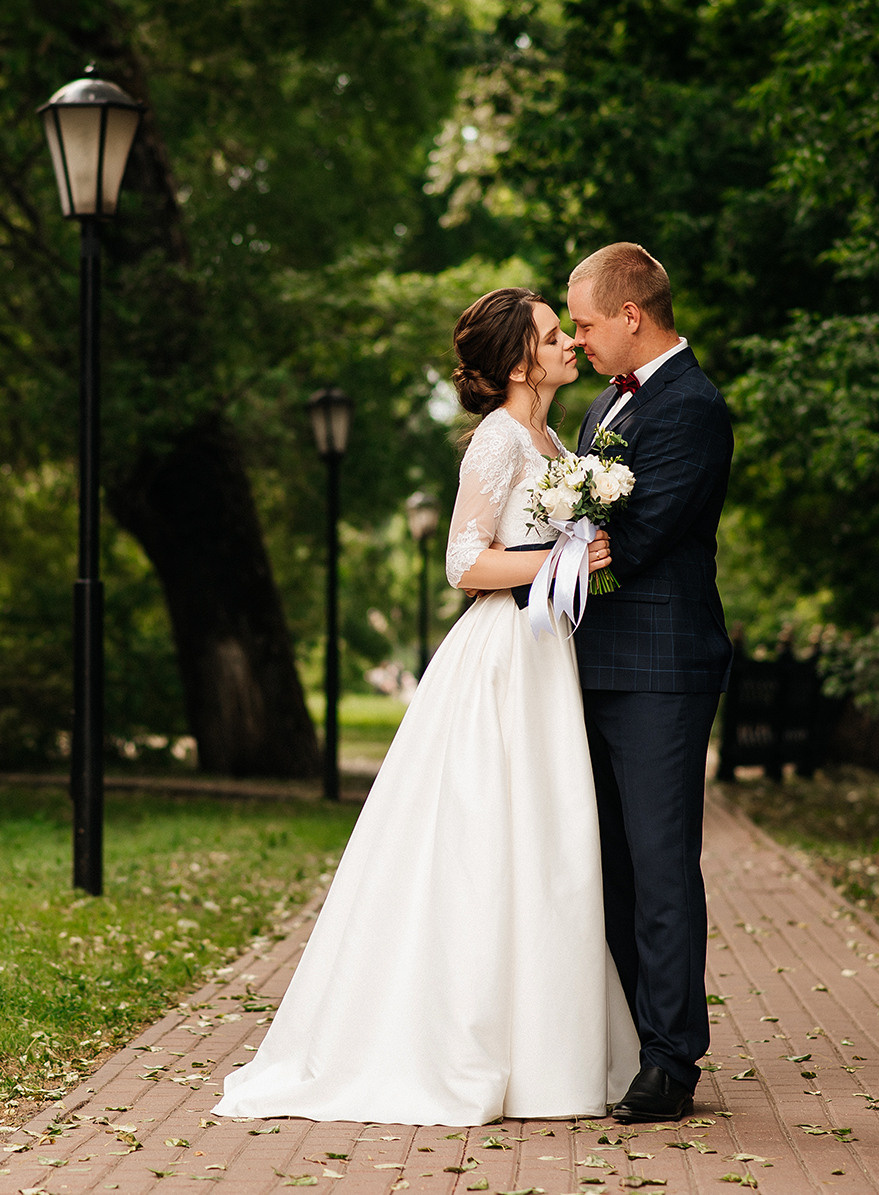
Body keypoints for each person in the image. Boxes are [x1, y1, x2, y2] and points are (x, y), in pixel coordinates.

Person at [214, 287, 638, 1127]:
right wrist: (562, 562)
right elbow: (462, 562)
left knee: (548, 842)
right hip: (501, 657)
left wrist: (575, 557)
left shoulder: (555, 437)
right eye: (554, 336)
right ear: (519, 361)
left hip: (548, 655)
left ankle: (551, 1048)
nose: (567, 345)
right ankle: (464, 1041)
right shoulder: (495, 441)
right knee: (491, 839)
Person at [563, 242, 734, 1123]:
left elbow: (640, 536)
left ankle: (672, 1061)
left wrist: (569, 550)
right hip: (592, 666)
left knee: (662, 865)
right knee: (610, 868)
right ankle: (633, 1036)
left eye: (587, 322)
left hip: (663, 670)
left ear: (633, 314)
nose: (579, 339)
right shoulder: (601, 404)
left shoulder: (694, 407)